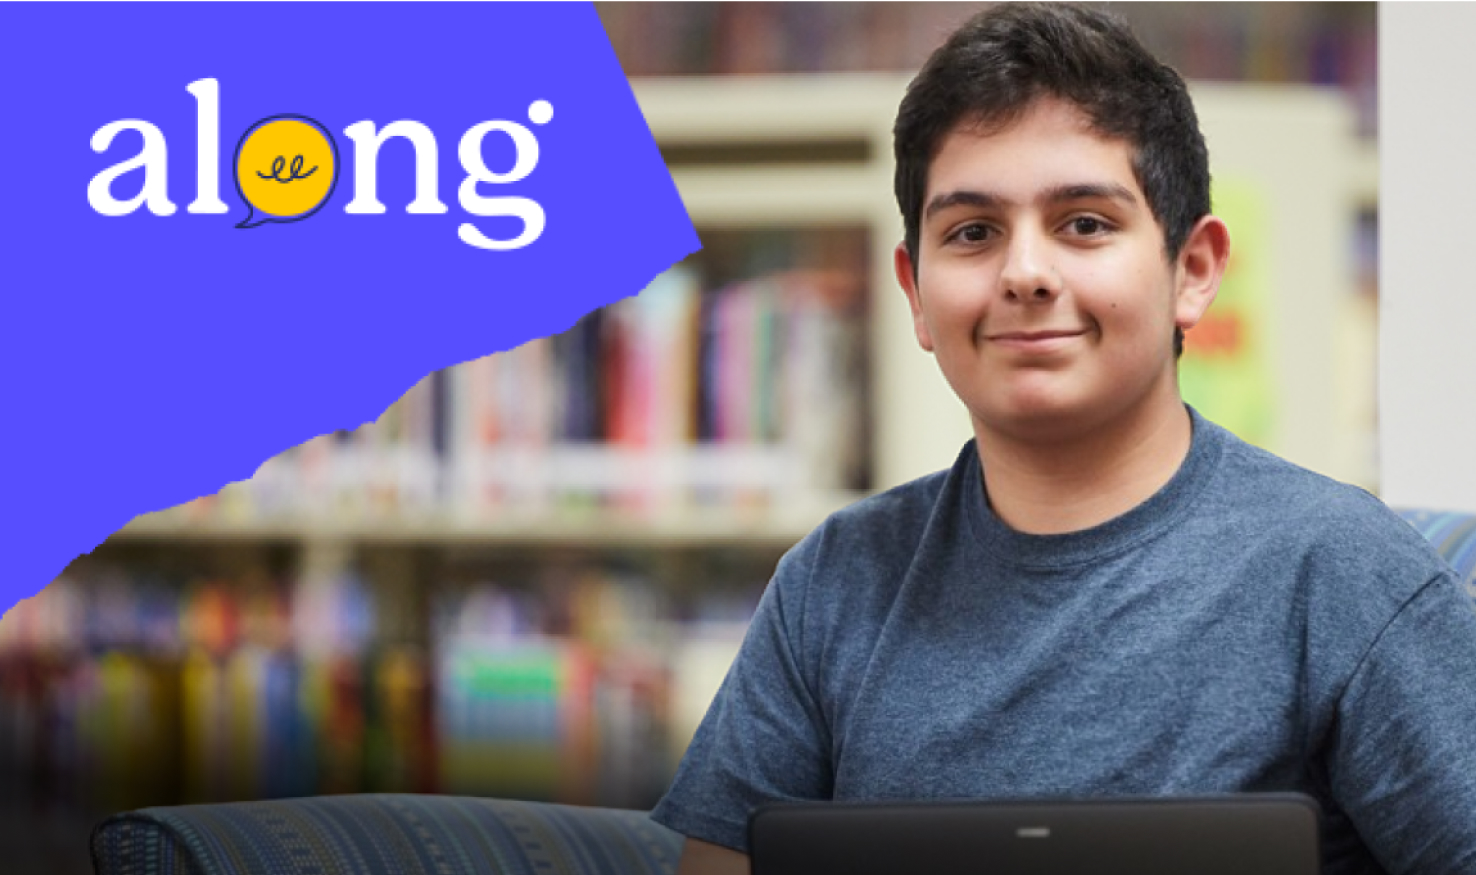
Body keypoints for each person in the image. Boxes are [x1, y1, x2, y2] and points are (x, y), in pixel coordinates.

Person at [650, 5, 1476, 874]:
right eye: (972, 233)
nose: (1026, 274)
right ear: (916, 292)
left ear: (1192, 270)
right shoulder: (832, 582)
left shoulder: (1340, 569)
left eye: (1084, 222)